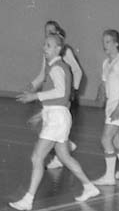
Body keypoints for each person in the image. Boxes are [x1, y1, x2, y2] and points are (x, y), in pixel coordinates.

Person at [9, 33, 100, 211]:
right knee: (64, 157)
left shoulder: (57, 68)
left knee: (37, 157)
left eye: (49, 45)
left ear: (58, 49)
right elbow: (58, 98)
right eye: (44, 45)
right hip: (57, 116)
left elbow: (60, 92)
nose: (45, 48)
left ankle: (28, 200)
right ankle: (89, 187)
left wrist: (35, 96)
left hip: (57, 119)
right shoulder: (54, 67)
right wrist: (42, 113)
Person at [29, 20, 83, 169]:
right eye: (46, 31)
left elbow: (77, 70)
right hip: (50, 95)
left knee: (53, 126)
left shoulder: (65, 51)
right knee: (48, 126)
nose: (48, 33)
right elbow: (43, 74)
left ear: (57, 32)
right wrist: (31, 86)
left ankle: (62, 153)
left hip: (62, 96)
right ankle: (66, 148)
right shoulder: (47, 51)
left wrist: (73, 90)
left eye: (51, 31)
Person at [93, 29, 119, 185]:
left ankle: (109, 177)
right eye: (103, 42)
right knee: (115, 140)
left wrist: (118, 109)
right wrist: (100, 94)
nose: (105, 45)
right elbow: (104, 83)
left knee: (106, 139)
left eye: (108, 42)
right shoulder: (106, 63)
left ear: (116, 43)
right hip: (111, 104)